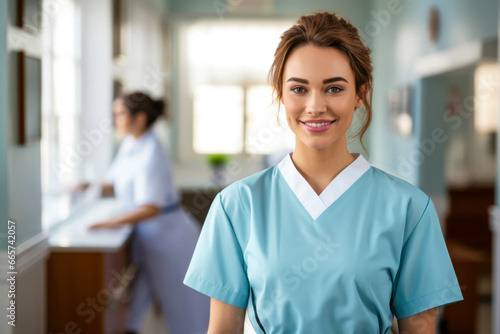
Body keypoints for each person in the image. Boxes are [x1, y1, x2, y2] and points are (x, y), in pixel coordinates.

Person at [183, 12, 463, 334]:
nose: (315, 106)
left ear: (360, 94)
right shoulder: (236, 206)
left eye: (333, 89)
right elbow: (222, 329)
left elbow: (421, 325)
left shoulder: (409, 209)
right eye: (299, 89)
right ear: (281, 95)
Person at [87, 92, 209, 334]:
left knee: (186, 309)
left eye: (121, 114)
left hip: (170, 240)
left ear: (140, 118)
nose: (116, 120)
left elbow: (150, 207)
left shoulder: (152, 151)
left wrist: (111, 222)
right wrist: (84, 186)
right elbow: (117, 182)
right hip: (150, 238)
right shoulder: (131, 143)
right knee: (140, 304)